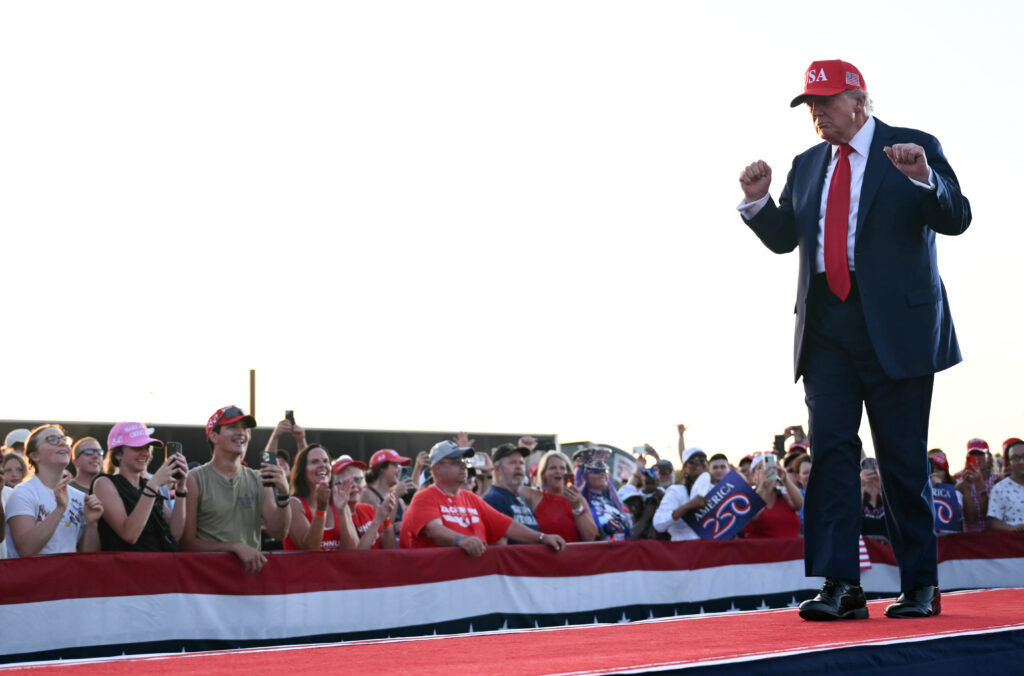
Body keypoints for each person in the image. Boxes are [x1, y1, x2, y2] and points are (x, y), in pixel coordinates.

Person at [738, 59, 971, 620]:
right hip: (826, 328)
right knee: (830, 457)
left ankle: (920, 585)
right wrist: (758, 203)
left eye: (826, 102)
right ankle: (841, 586)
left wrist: (924, 178)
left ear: (860, 101)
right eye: (810, 105)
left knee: (901, 461)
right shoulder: (807, 164)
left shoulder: (913, 147)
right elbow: (785, 239)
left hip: (897, 328)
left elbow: (957, 217)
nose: (817, 113)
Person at [401, 437, 567, 555]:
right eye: (456, 462)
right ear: (437, 468)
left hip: (471, 581)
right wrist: (461, 540)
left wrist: (542, 537)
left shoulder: (470, 498)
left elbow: (506, 525)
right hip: (437, 583)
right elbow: (433, 530)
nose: (463, 466)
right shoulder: (424, 497)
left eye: (464, 462)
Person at [182, 406, 291, 573]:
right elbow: (187, 543)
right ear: (214, 436)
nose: (242, 433)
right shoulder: (194, 479)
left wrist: (284, 495)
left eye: (245, 428)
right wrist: (234, 547)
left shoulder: (259, 479)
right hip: (207, 581)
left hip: (248, 580)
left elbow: (279, 533)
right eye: (233, 427)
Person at [4, 425, 104, 557]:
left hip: (69, 571)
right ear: (35, 456)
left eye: (64, 439)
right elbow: (26, 549)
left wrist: (91, 524)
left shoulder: (80, 497)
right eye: (52, 440)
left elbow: (88, 558)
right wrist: (59, 509)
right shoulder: (22, 493)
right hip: (34, 571)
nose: (62, 443)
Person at [91, 422, 187, 551]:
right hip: (128, 562)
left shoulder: (148, 486)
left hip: (160, 561)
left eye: (147, 447)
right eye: (137, 447)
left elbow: (174, 535)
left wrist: (181, 489)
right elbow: (129, 535)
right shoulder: (104, 483)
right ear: (118, 454)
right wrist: (153, 484)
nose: (145, 453)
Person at [283, 444, 358, 551]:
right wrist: (321, 510)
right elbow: (311, 548)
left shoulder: (339, 500)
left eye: (326, 461)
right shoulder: (294, 505)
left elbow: (352, 549)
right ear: (303, 471)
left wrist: (341, 511)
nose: (322, 465)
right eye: (314, 462)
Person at [520, 450, 598, 543]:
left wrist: (577, 507)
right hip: (544, 552)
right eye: (553, 468)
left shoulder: (578, 499)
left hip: (573, 552)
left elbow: (590, 537)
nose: (558, 471)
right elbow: (510, 487)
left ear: (568, 473)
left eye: (562, 468)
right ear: (543, 474)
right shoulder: (535, 496)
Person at [334, 456, 396, 549]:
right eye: (346, 482)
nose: (354, 485)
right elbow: (356, 555)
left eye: (357, 480)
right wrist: (377, 520)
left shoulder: (368, 509)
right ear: (334, 487)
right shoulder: (332, 517)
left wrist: (386, 518)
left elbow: (390, 549)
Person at [653, 448, 712, 541]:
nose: (698, 462)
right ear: (684, 469)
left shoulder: (717, 489)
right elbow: (658, 524)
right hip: (684, 547)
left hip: (712, 547)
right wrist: (686, 507)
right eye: (692, 460)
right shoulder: (676, 491)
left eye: (702, 459)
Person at [483, 444, 540, 538]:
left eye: (521, 463)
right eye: (512, 463)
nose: (519, 467)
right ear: (497, 469)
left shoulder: (520, 498)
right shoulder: (493, 500)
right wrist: (542, 538)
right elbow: (500, 542)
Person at [575, 447, 632, 541]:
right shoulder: (578, 505)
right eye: (596, 470)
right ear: (584, 476)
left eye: (604, 469)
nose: (603, 474)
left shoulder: (614, 505)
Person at [744, 454, 803, 539]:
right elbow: (749, 514)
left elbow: (799, 504)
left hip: (790, 546)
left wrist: (785, 479)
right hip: (762, 547)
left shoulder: (784, 495)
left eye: (769, 466)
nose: (766, 470)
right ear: (753, 476)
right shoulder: (747, 497)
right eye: (760, 468)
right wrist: (763, 486)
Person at [360, 448, 416, 536]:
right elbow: (380, 529)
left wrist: (404, 526)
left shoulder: (400, 501)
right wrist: (396, 495)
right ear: (382, 468)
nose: (399, 470)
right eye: (395, 465)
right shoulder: (366, 494)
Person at [957, 438, 997, 533]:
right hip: (971, 538)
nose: (977, 458)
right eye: (973, 454)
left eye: (980, 454)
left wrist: (980, 486)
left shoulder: (997, 480)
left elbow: (987, 515)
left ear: (988, 457)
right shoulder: (961, 483)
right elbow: (971, 519)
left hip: (994, 536)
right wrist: (967, 489)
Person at [987, 439, 1024, 532]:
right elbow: (993, 522)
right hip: (1014, 539)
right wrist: (1012, 528)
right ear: (1009, 463)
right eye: (1015, 458)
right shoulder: (999, 489)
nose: (1021, 462)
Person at [859, 458, 888, 542]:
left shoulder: (887, 497)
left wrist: (881, 487)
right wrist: (860, 486)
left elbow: (896, 518)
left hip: (887, 547)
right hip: (865, 546)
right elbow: (852, 519)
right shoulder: (858, 497)